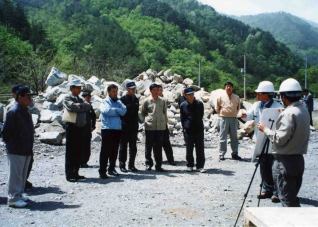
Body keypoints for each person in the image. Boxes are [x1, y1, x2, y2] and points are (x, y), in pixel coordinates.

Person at [258, 78, 310, 207]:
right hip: (298, 160)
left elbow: (280, 139)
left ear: (284, 96)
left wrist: (265, 130)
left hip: (285, 162)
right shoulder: (303, 110)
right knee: (292, 198)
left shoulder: (288, 114)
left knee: (287, 201)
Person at [241, 81, 282, 203]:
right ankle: (266, 189)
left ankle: (276, 192)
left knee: (275, 167)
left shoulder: (277, 107)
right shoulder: (257, 105)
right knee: (263, 165)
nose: (257, 95)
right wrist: (244, 115)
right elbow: (249, 116)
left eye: (259, 93)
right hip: (260, 138)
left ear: (266, 94)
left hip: (273, 140)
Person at [2, 86, 36, 208]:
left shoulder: (25, 110)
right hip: (16, 149)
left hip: (26, 148)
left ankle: (19, 194)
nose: (30, 99)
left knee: (22, 174)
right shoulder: (13, 111)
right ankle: (13, 198)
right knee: (15, 175)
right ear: (20, 97)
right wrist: (13, 144)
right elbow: (6, 132)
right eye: (27, 97)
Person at [63, 80, 91, 181]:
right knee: (71, 151)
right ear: (72, 88)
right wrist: (81, 106)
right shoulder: (67, 98)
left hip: (81, 127)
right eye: (77, 88)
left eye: (80, 88)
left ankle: (76, 172)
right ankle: (70, 174)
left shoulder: (80, 98)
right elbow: (71, 106)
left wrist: (80, 105)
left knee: (79, 151)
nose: (79, 90)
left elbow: (88, 106)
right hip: (72, 127)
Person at [99, 84, 126, 179]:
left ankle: (112, 168)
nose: (115, 93)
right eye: (113, 91)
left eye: (116, 91)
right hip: (107, 129)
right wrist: (117, 111)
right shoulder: (104, 102)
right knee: (105, 151)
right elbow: (106, 111)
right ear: (109, 92)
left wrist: (113, 110)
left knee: (114, 150)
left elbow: (124, 111)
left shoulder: (119, 102)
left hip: (117, 129)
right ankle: (102, 171)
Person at [141, 83, 167, 172]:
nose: (156, 92)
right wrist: (147, 120)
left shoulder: (163, 101)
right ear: (151, 91)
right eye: (154, 90)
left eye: (157, 90)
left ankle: (158, 165)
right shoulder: (146, 101)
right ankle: (148, 164)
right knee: (149, 146)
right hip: (150, 127)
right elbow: (143, 112)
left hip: (160, 127)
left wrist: (164, 124)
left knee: (158, 147)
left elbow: (164, 112)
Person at [180, 87, 206, 173]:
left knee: (200, 148)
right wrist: (185, 127)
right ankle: (190, 165)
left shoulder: (199, 104)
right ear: (185, 95)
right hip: (188, 130)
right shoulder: (183, 105)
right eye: (189, 95)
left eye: (192, 94)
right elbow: (182, 118)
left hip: (198, 129)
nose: (191, 96)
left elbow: (201, 115)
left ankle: (200, 166)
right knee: (189, 149)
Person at [216, 82, 241, 161]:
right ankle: (221, 153)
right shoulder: (220, 97)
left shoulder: (236, 97)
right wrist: (221, 114)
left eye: (230, 86)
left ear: (232, 88)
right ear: (225, 88)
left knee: (234, 137)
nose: (229, 88)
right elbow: (217, 107)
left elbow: (238, 107)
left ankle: (235, 153)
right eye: (227, 86)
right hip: (224, 118)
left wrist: (234, 113)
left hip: (233, 118)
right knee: (223, 136)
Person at [119, 81, 139, 173]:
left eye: (134, 88)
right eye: (131, 89)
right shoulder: (122, 99)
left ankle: (131, 165)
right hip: (124, 126)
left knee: (133, 147)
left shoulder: (136, 99)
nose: (133, 90)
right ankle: (122, 165)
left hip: (134, 127)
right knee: (123, 147)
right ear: (127, 89)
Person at [158, 84, 176, 166]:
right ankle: (157, 160)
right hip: (154, 125)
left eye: (160, 90)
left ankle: (170, 159)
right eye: (157, 90)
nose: (159, 91)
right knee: (156, 144)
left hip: (163, 123)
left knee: (166, 143)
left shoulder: (164, 100)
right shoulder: (150, 100)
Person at [80, 91, 96, 168]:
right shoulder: (80, 106)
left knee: (87, 146)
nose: (88, 99)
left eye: (89, 97)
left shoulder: (90, 106)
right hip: (80, 129)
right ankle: (79, 162)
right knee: (80, 146)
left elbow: (93, 116)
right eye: (87, 97)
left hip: (87, 129)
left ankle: (84, 161)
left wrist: (93, 126)